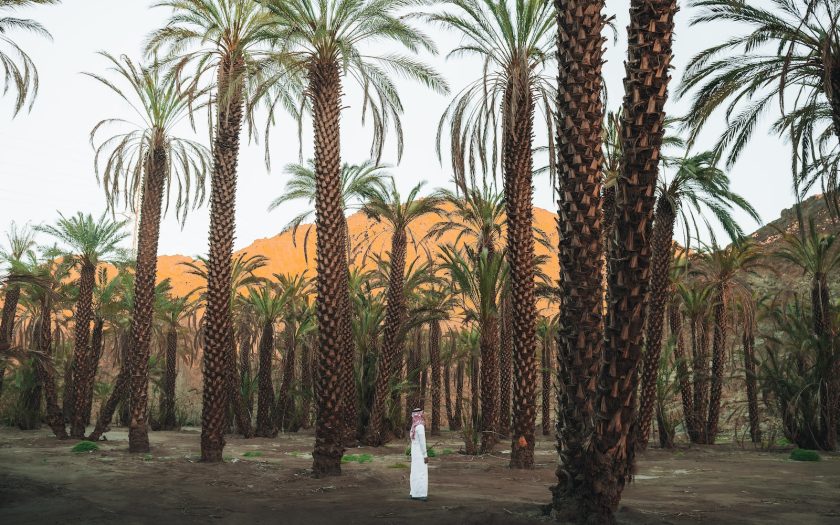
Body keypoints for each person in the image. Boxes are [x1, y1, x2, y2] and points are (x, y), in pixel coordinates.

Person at [409, 407, 428, 501]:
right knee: (421, 473)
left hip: (414, 452)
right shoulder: (420, 426)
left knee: (415, 472)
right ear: (420, 414)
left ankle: (414, 493)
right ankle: (421, 494)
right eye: (422, 413)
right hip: (420, 453)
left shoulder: (414, 426)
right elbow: (422, 442)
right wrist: (425, 455)